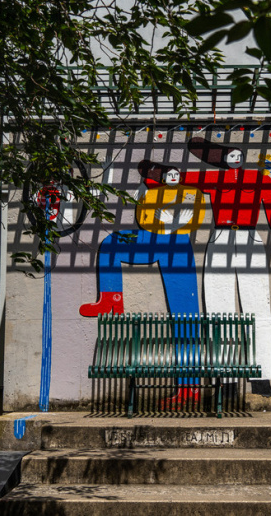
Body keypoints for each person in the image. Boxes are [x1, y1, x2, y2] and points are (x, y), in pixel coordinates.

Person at [144, 137, 271, 397]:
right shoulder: (214, 179)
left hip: (250, 239)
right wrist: (155, 173)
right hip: (220, 238)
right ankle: (225, 382)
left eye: (237, 153)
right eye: (229, 153)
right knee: (218, 309)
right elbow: (180, 178)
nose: (235, 156)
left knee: (258, 310)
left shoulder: (261, 180)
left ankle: (261, 382)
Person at [80, 162, 207, 407]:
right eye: (164, 174)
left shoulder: (190, 192)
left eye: (173, 173)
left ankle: (188, 389)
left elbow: (195, 215)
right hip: (153, 237)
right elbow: (145, 217)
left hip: (177, 243)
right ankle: (110, 298)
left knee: (186, 318)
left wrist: (173, 221)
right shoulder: (149, 192)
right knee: (112, 244)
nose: (170, 177)